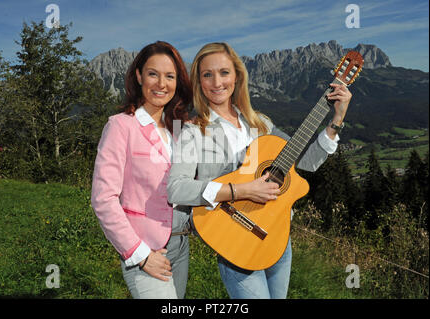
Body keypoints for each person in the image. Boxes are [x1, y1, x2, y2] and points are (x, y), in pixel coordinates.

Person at [167, 42, 352, 299]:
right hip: (236, 238)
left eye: (224, 72)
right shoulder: (190, 130)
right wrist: (242, 190)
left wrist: (336, 121)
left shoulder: (260, 123)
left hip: (277, 235)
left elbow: (306, 163)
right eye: (207, 74)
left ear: (237, 77)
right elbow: (176, 188)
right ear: (198, 82)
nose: (217, 82)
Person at [91, 41, 192, 299]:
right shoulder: (121, 126)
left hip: (182, 245)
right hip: (146, 247)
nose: (161, 84)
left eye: (170, 76)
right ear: (138, 76)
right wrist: (140, 254)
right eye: (152, 74)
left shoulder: (179, 129)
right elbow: (103, 198)